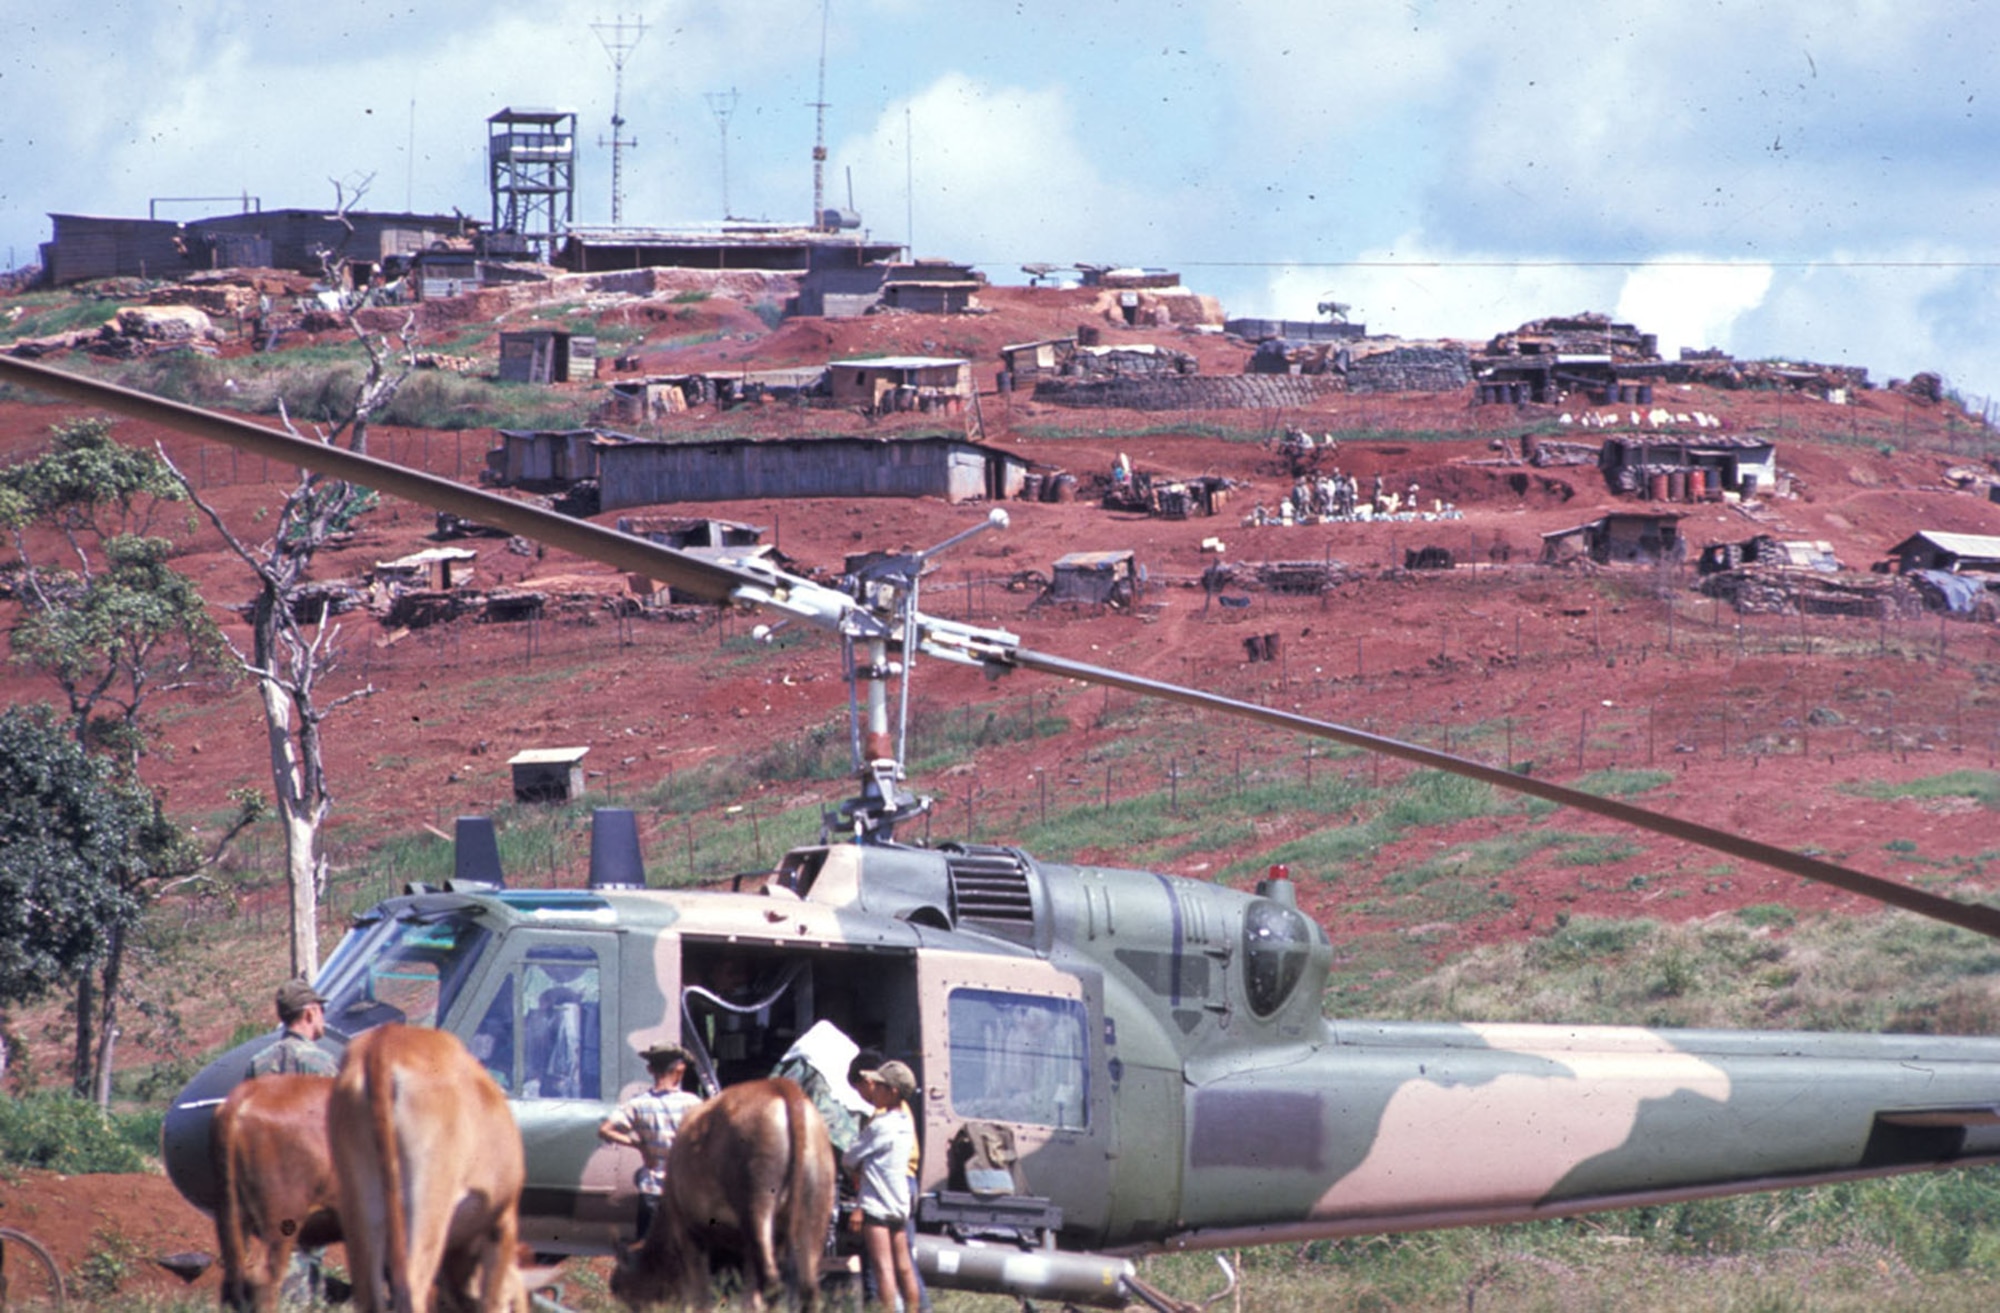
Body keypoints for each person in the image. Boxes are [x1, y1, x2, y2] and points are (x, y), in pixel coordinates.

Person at [597, 1043, 703, 1241]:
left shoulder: (638, 1104)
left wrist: (639, 1145)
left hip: (651, 1191)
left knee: (647, 1253)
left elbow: (605, 1130)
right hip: (683, 1193)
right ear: (680, 1069)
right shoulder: (692, 1104)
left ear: (650, 1070)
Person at [844, 1060, 923, 1313]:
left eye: (878, 1086)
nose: (873, 1090)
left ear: (893, 1091)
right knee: (904, 1267)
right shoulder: (905, 1124)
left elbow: (849, 1158)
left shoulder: (879, 1125)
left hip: (876, 1207)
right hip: (900, 1206)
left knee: (883, 1269)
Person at [246, 978, 337, 1079]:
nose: (323, 1016)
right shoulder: (322, 1063)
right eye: (322, 1009)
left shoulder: (257, 1065)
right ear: (310, 1013)